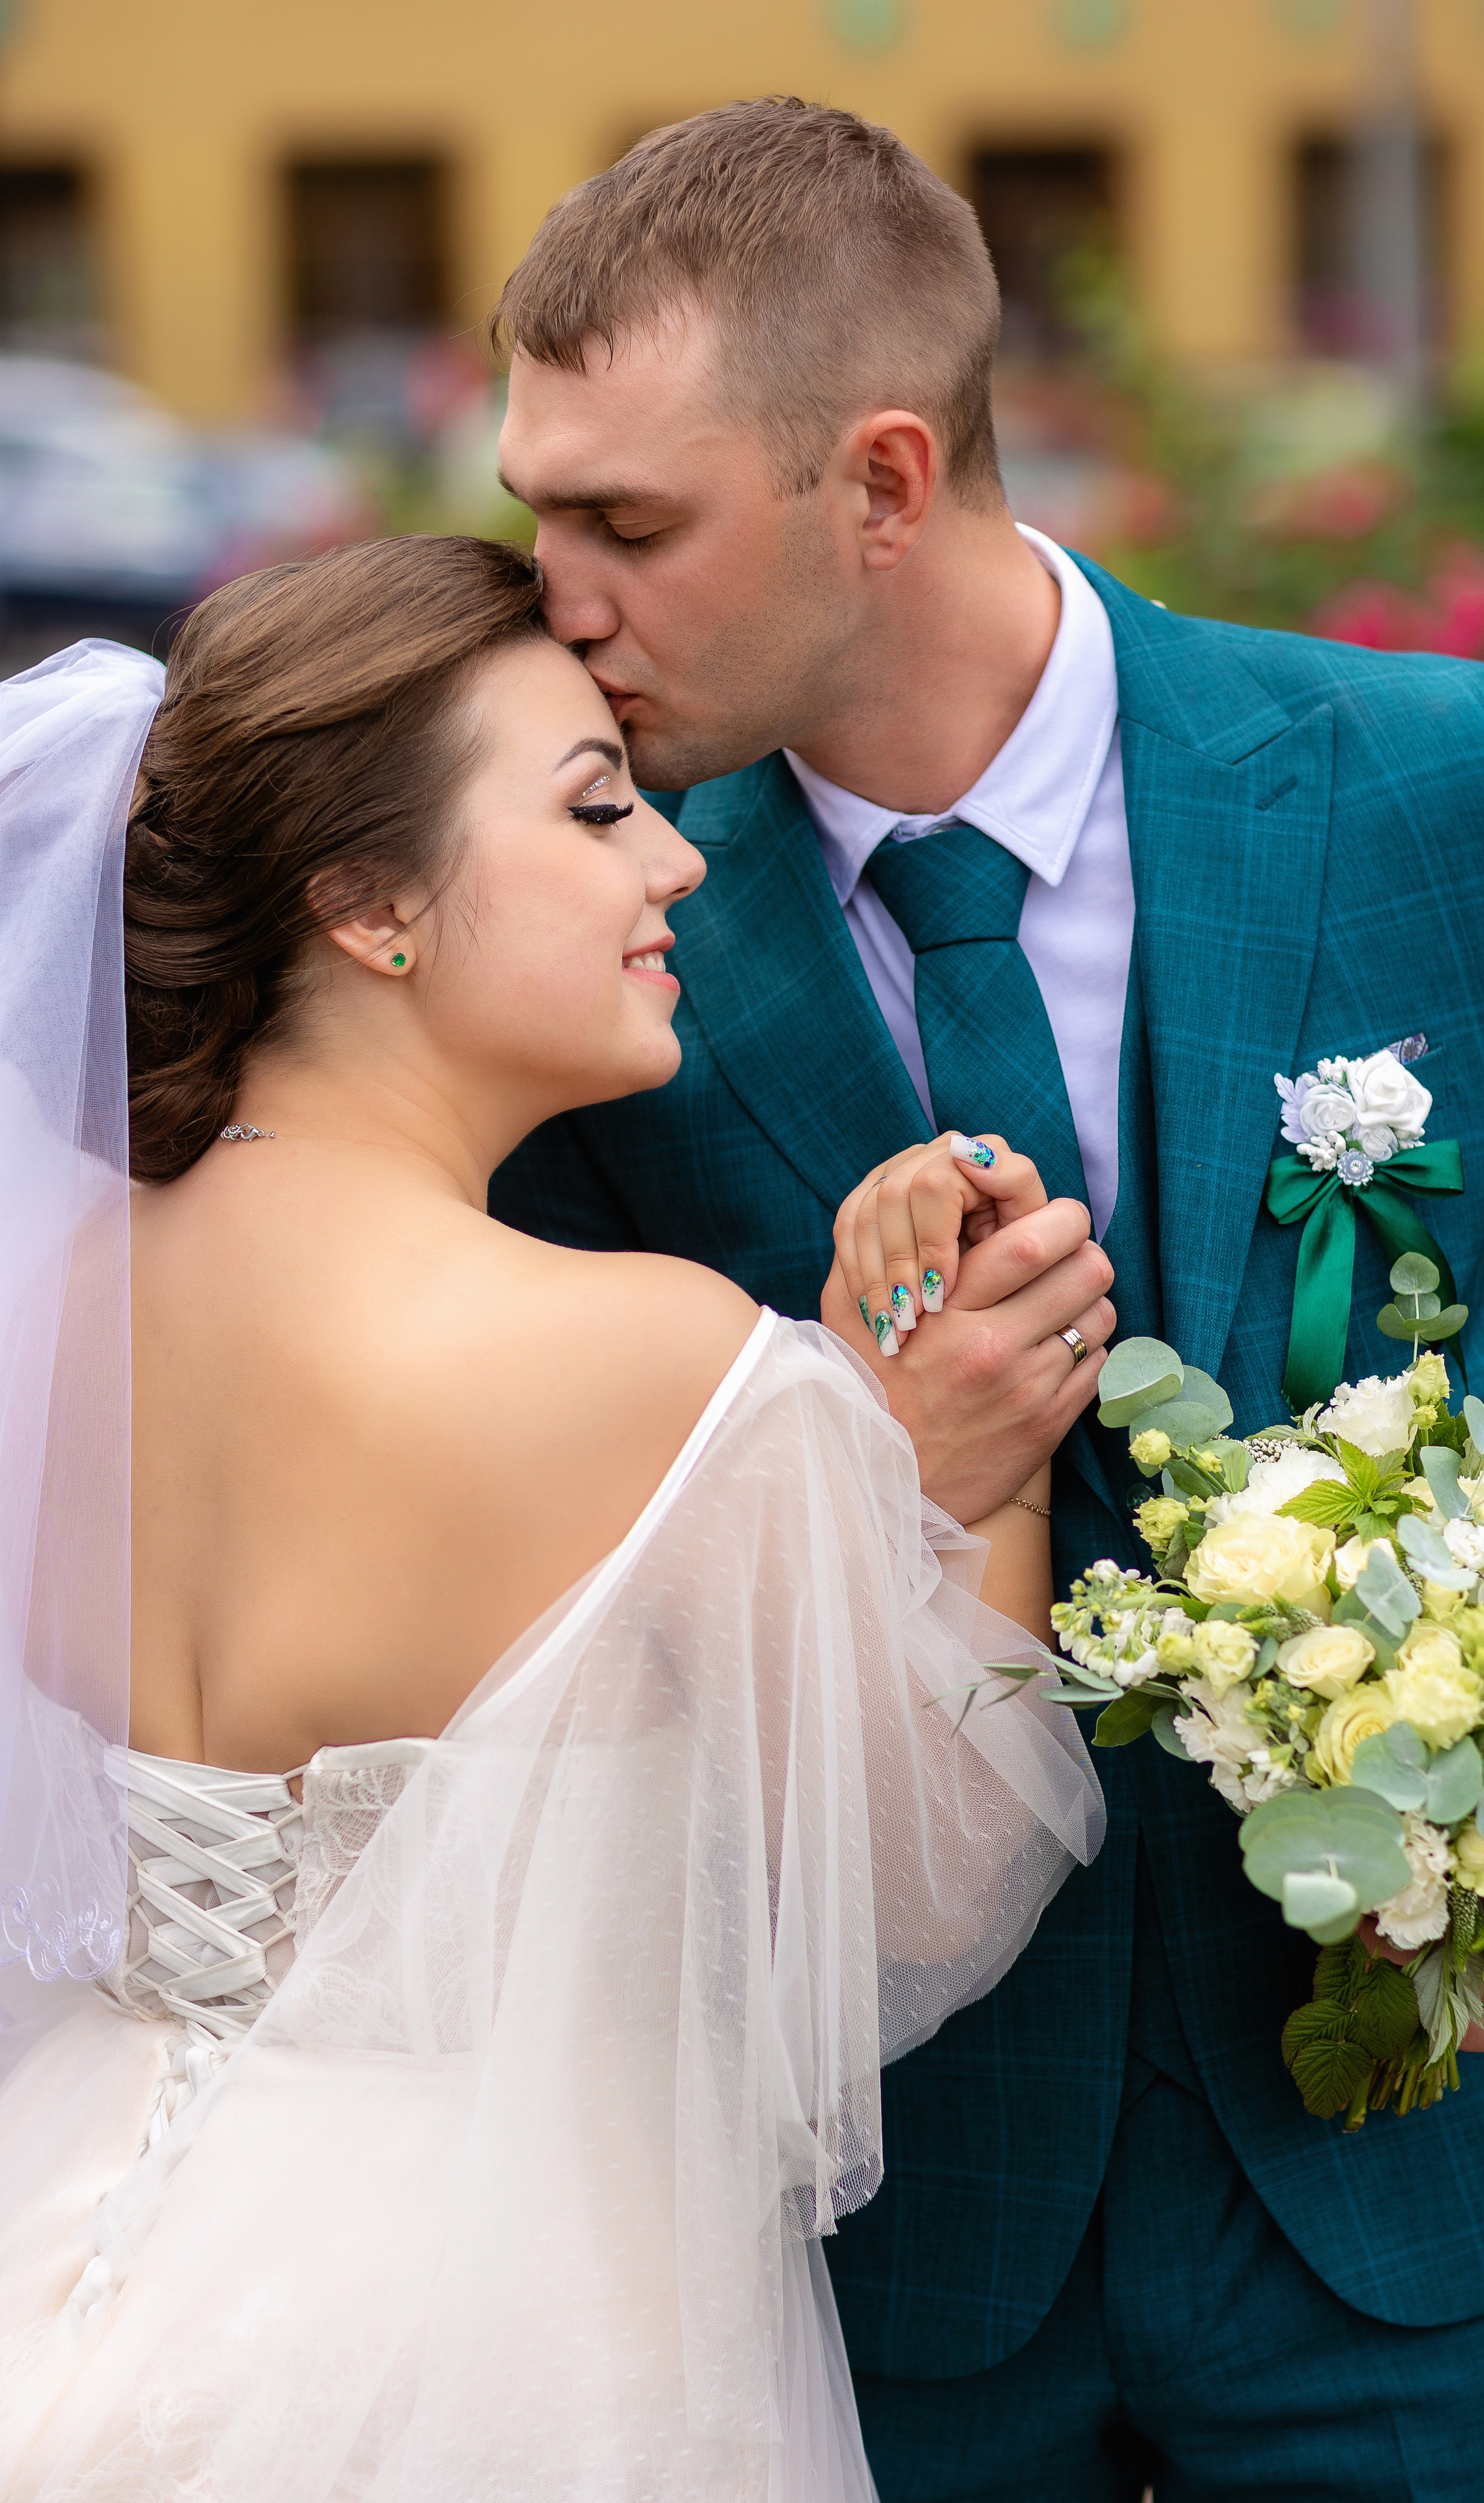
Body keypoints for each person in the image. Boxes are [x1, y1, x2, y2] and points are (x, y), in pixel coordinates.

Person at [489, 96, 1484, 2502]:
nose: (558, 598)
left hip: (1418, 2184)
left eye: (626, 523)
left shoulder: (1425, 779)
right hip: (873, 2233)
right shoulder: (582, 935)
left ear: (886, 482)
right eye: (538, 510)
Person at [0, 540, 1109, 2500]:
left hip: (67, 2258)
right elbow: (928, 1892)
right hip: (480, 2340)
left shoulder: (49, 1304)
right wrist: (956, 1474)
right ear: (368, 906)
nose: (675, 862)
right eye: (596, 809)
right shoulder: (642, 1363)